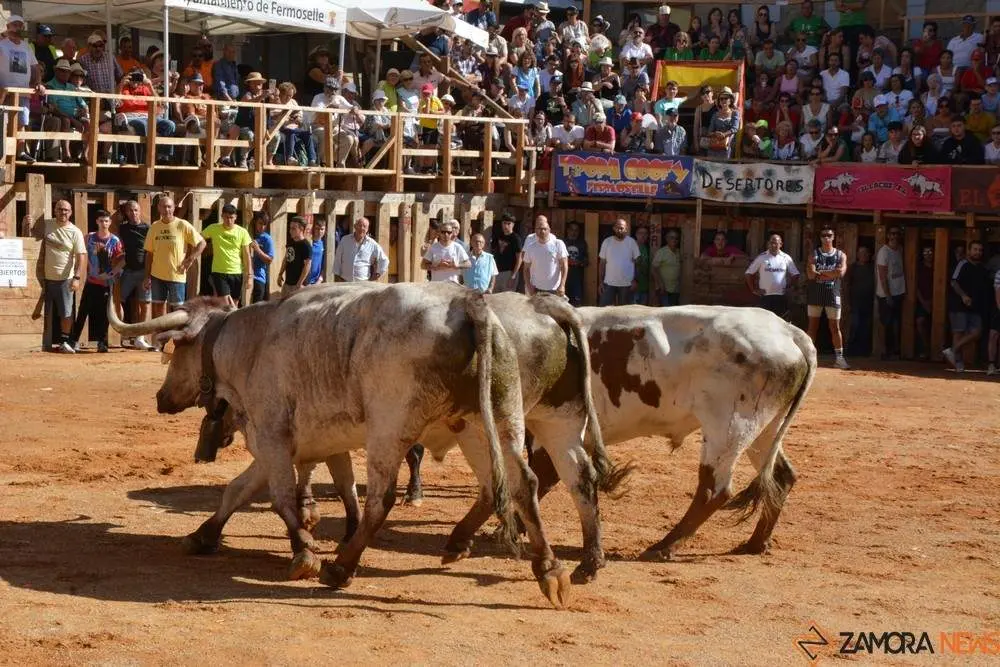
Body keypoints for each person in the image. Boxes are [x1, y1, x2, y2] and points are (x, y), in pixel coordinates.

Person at [68, 210, 122, 353]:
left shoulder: (115, 240)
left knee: (103, 314)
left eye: (106, 221)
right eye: (101, 221)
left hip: (105, 283)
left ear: (110, 222)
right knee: (83, 311)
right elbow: (81, 254)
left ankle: (102, 342)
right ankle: (73, 341)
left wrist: (110, 274)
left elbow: (121, 261)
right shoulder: (89, 238)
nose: (104, 224)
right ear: (97, 222)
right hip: (91, 281)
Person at [143, 196, 205, 317]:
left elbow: (202, 243)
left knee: (178, 311)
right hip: (157, 276)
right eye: (163, 207)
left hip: (176, 275)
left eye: (169, 206)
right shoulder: (154, 227)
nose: (166, 209)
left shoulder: (182, 225)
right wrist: (147, 276)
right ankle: (161, 335)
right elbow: (149, 253)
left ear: (174, 208)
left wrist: (190, 259)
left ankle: (175, 336)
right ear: (159, 208)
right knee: (158, 309)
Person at [39, 200, 87, 353]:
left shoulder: (75, 232)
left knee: (66, 313)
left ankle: (64, 341)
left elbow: (81, 256)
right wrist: (25, 224)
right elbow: (31, 237)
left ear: (71, 212)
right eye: (60, 209)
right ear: (55, 210)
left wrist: (77, 278)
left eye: (66, 210)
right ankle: (40, 342)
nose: (63, 212)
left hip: (65, 279)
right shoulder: (46, 225)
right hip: (44, 278)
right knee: (43, 312)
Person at [0, 15, 47, 162]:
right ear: (8, 27)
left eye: (20, 25)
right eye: (14, 25)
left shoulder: (26, 46)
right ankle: (4, 155)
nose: (18, 28)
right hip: (5, 91)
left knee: (21, 123)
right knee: (4, 123)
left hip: (23, 92)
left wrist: (38, 83)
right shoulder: (2, 44)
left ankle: (19, 152)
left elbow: (35, 67)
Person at [806, 226, 850, 369]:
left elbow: (841, 272)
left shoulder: (841, 255)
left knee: (835, 326)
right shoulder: (814, 254)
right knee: (813, 326)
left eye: (829, 235)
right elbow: (811, 274)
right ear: (820, 238)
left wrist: (821, 273)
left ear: (833, 237)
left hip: (833, 294)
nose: (826, 237)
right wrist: (831, 273)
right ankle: (808, 358)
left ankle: (839, 358)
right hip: (816, 294)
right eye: (823, 235)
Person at [943, 241, 988, 372]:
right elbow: (953, 282)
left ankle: (952, 350)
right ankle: (958, 362)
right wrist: (963, 296)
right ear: (969, 251)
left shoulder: (982, 268)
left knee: (977, 332)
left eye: (980, 250)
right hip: (958, 305)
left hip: (974, 307)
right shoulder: (962, 264)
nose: (977, 252)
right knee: (958, 332)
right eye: (975, 249)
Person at [116, 200, 154, 350]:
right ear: (126, 212)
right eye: (130, 211)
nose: (134, 213)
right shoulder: (123, 228)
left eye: (136, 210)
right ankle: (124, 331)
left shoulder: (147, 228)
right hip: (128, 271)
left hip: (144, 272)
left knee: (145, 304)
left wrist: (150, 274)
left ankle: (140, 337)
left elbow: (152, 251)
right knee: (118, 300)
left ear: (140, 211)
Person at [200, 204, 252, 307]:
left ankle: (230, 323)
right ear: (222, 216)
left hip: (236, 271)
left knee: (235, 304)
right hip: (219, 271)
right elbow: (198, 238)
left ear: (236, 217)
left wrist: (249, 276)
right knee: (226, 304)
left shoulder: (242, 232)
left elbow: (246, 255)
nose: (229, 220)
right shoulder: (213, 228)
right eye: (226, 217)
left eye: (231, 218)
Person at [745, 233, 800, 317]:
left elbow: (795, 274)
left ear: (781, 244)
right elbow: (749, 273)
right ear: (768, 243)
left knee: (781, 320)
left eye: (776, 243)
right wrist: (754, 290)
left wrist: (790, 287)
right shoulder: (762, 257)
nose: (773, 245)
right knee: (764, 321)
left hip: (781, 296)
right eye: (771, 242)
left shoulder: (786, 257)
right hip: (765, 296)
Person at [875, 226, 906, 359]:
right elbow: (882, 275)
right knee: (886, 323)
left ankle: (894, 350)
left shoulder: (899, 250)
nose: (894, 236)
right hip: (886, 294)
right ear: (888, 236)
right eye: (892, 234)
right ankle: (884, 351)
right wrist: (888, 295)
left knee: (895, 323)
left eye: (897, 234)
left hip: (898, 292)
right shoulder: (884, 252)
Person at [521, 215, 568, 296]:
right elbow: (525, 269)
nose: (542, 231)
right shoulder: (531, 247)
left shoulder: (558, 244)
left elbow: (564, 265)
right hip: (536, 289)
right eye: (539, 229)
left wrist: (562, 285)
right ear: (535, 230)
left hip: (554, 289)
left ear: (549, 230)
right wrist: (529, 286)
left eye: (544, 229)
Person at [598, 218, 640, 307]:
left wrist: (635, 280)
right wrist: (601, 282)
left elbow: (638, 263)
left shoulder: (631, 242)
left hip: (627, 284)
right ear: (613, 228)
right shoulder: (607, 242)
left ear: (626, 229)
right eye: (617, 228)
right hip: (609, 283)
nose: (620, 230)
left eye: (622, 228)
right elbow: (602, 263)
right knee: (604, 310)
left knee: (625, 313)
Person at [332, 217, 389, 282]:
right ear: (355, 226)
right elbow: (338, 259)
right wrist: (337, 276)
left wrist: (377, 274)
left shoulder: (372, 244)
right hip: (345, 282)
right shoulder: (345, 240)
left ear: (367, 229)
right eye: (359, 225)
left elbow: (384, 260)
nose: (361, 228)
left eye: (364, 226)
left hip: (363, 284)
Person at [845, 246, 876, 357]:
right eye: (862, 253)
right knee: (855, 325)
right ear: (858, 255)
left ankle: (863, 351)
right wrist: (848, 302)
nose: (864, 255)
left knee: (866, 327)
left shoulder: (872, 268)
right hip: (855, 302)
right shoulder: (853, 268)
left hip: (868, 302)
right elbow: (847, 285)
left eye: (866, 253)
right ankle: (851, 350)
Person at [276, 217, 312, 297]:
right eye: (290, 228)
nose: (290, 231)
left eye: (293, 229)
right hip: (288, 283)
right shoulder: (291, 242)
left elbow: (307, 265)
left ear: (301, 229)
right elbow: (286, 258)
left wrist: (299, 284)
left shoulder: (306, 246)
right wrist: (280, 274)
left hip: (299, 286)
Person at [491, 212, 523, 292]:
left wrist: (513, 275)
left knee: (508, 299)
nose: (506, 226)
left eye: (509, 223)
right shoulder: (499, 235)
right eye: (504, 223)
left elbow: (519, 258)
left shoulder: (516, 238)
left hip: (509, 272)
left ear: (513, 225)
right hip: (497, 271)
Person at [249, 211, 273, 304]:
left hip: (259, 278)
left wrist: (258, 249)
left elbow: (269, 260)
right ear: (255, 222)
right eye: (260, 223)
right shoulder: (250, 234)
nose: (262, 227)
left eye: (264, 224)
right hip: (246, 277)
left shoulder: (267, 239)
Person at [652, 230, 682, 306]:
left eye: (676, 238)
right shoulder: (662, 252)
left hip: (675, 289)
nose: (674, 240)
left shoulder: (679, 252)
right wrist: (660, 285)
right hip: (664, 289)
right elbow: (654, 269)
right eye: (672, 237)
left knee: (673, 312)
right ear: (667, 239)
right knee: (665, 312)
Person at [915, 245, 934, 360]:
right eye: (925, 251)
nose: (928, 254)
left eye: (930, 251)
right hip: (922, 300)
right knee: (920, 322)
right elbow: (915, 286)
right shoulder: (919, 268)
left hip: (937, 301)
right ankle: (925, 348)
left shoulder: (940, 266)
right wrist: (923, 302)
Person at [563, 221, 588, 306]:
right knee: (563, 303)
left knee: (577, 304)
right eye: (572, 229)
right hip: (563, 278)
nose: (574, 232)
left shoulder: (582, 243)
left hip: (577, 278)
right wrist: (567, 262)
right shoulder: (562, 242)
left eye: (576, 230)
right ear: (568, 230)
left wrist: (579, 263)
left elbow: (586, 261)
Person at [305, 219, 326, 285]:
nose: (320, 231)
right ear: (313, 229)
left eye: (322, 229)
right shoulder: (309, 242)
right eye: (317, 229)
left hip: (317, 282)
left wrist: (320, 279)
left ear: (325, 230)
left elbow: (324, 264)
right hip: (305, 281)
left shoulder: (325, 244)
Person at [988, 267, 1000, 375]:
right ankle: (991, 365)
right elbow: (998, 292)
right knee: (994, 335)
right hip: (998, 309)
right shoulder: (999, 273)